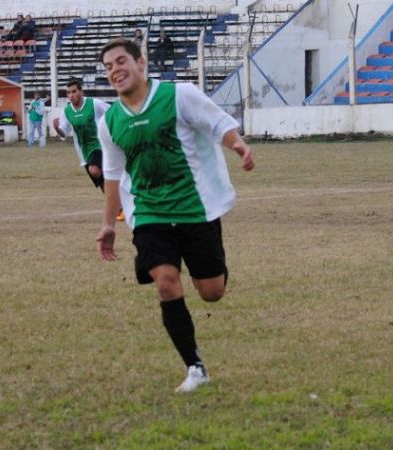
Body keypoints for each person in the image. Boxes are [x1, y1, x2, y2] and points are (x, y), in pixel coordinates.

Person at [95, 39, 254, 393]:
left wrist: (237, 144)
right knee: (166, 282)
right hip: (149, 213)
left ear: (141, 62)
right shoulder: (111, 122)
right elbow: (113, 174)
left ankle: (214, 271)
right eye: (108, 67)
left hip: (196, 209)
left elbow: (216, 123)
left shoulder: (178, 95)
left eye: (121, 61)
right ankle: (195, 367)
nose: (115, 70)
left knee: (212, 292)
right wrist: (108, 223)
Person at [52, 79, 124, 221]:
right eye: (68, 92)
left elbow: (112, 112)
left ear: (81, 92)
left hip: (100, 146)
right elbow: (64, 133)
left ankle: (116, 179)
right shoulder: (67, 111)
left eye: (74, 91)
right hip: (83, 153)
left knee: (95, 170)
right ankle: (120, 208)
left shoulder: (94, 104)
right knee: (101, 182)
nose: (71, 95)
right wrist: (57, 128)